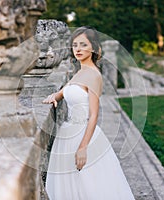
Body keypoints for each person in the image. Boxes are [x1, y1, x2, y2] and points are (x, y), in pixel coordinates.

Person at [42, 26, 135, 200]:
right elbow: (67, 90)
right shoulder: (80, 71)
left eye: (83, 44)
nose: (77, 49)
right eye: (75, 44)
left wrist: (83, 148)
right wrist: (56, 95)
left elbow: (93, 115)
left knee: (90, 188)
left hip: (83, 135)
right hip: (67, 133)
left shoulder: (93, 74)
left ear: (93, 47)